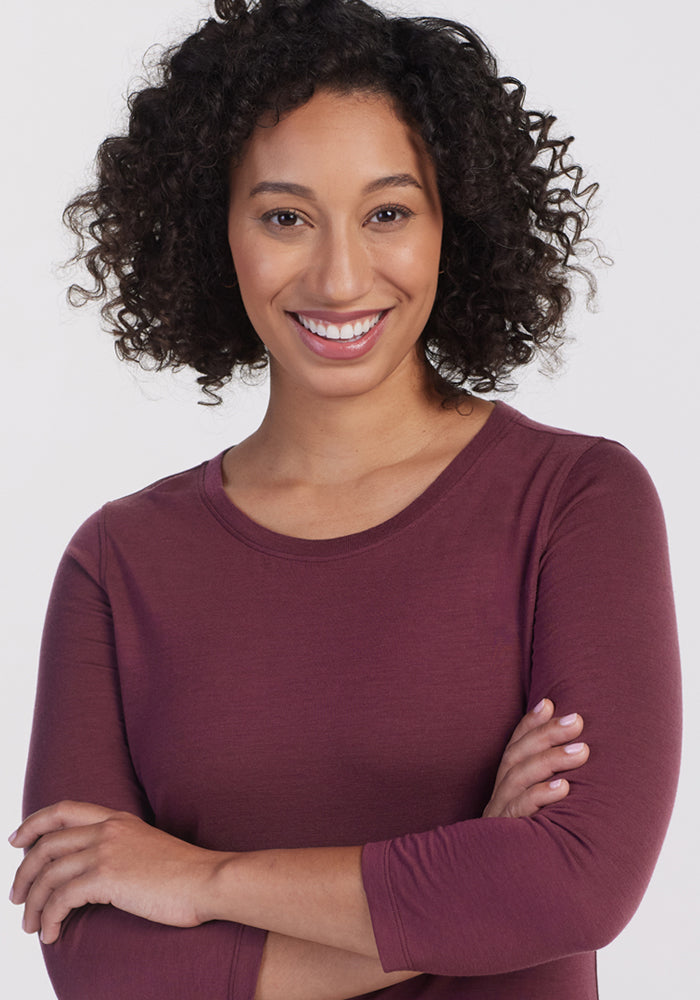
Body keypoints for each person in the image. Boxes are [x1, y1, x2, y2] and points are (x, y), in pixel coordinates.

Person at [9, 1, 681, 998]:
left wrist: (200, 881)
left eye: (387, 213)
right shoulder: (119, 563)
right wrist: (466, 883)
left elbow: (575, 883)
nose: (338, 274)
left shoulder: (573, 502)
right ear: (215, 227)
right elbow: (101, 963)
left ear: (453, 219)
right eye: (285, 216)